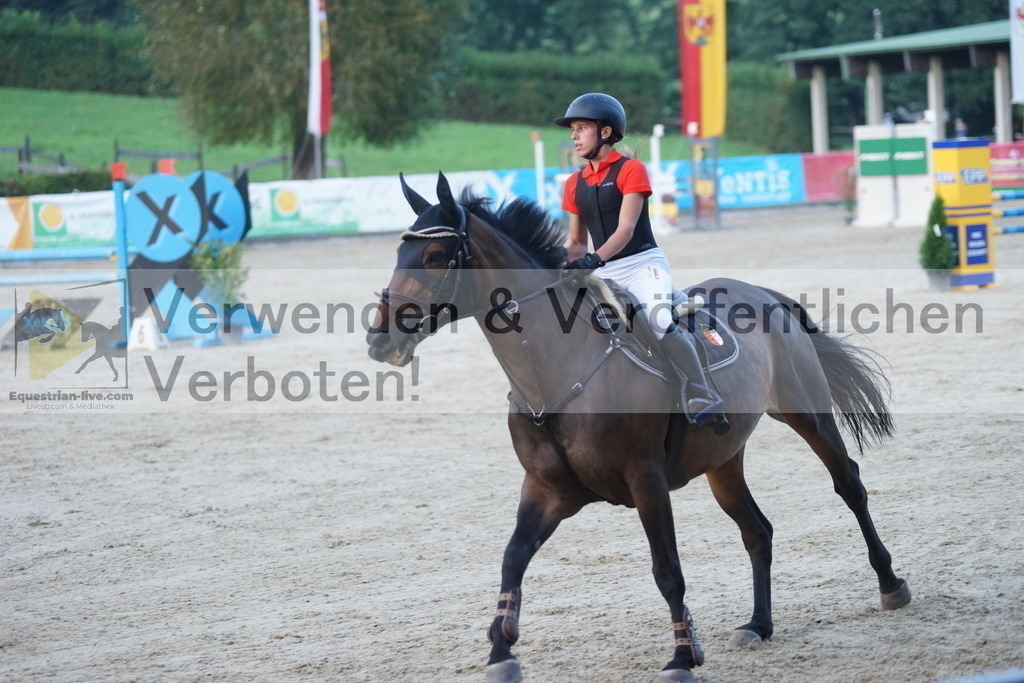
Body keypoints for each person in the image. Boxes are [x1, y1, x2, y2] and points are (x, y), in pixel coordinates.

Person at [555, 92, 728, 433]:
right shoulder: (574, 183)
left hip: (641, 264)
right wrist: (562, 264)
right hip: (601, 268)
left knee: (660, 319)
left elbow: (626, 229)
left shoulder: (630, 169)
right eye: (572, 129)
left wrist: (591, 259)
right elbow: (575, 241)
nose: (573, 136)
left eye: (581, 128)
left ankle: (701, 391)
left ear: (605, 132)